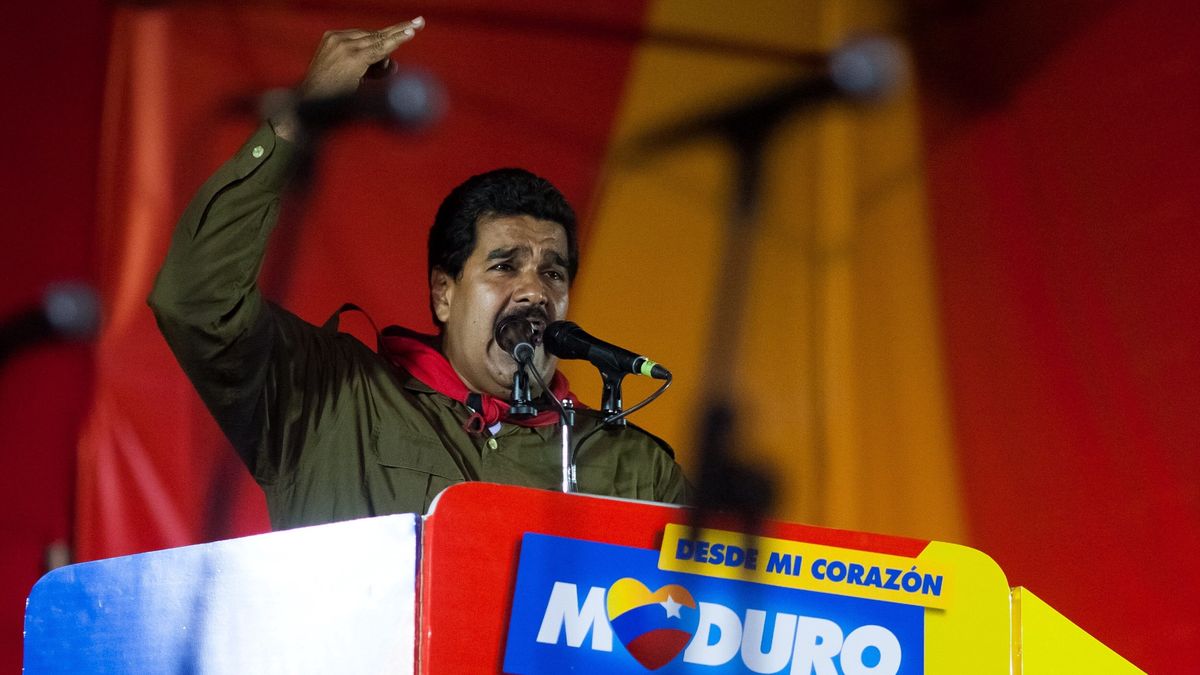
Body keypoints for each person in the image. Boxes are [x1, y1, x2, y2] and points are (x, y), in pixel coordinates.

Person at [148, 17, 690, 530]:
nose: (534, 291)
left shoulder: (633, 469)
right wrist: (301, 116)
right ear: (444, 294)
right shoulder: (328, 398)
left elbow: (722, 612)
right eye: (505, 266)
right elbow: (197, 303)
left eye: (554, 274)